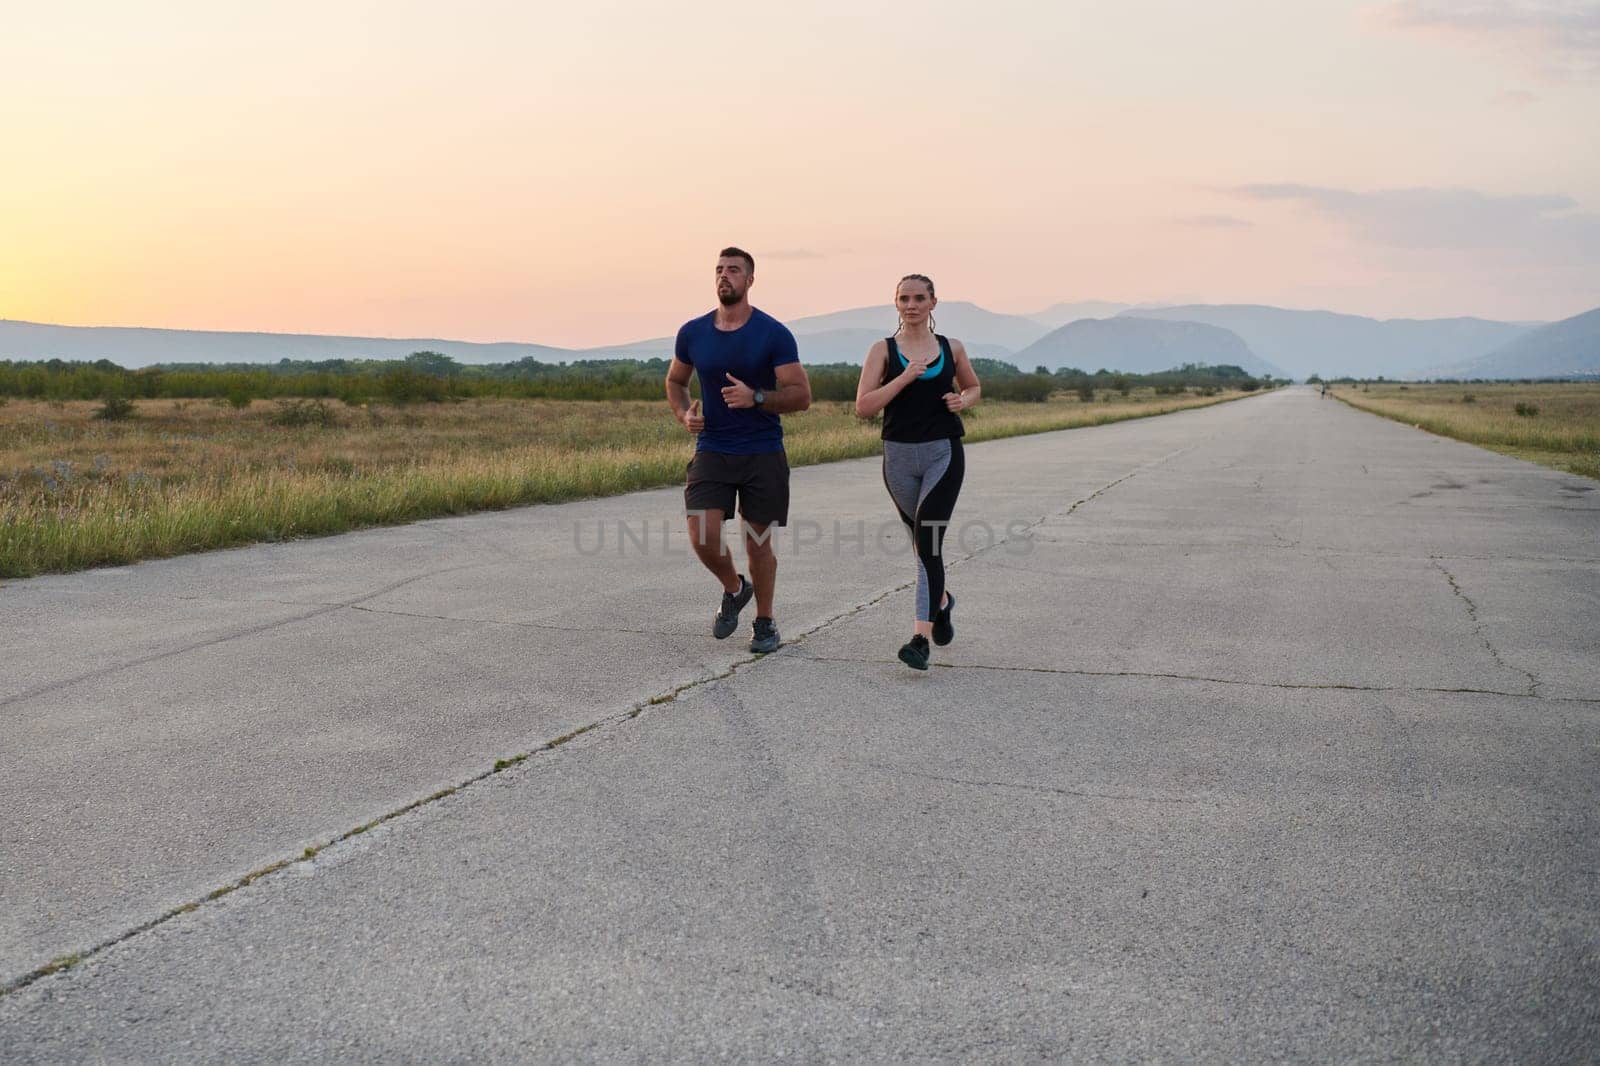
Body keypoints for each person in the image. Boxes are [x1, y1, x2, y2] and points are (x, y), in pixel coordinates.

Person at [666, 247, 812, 653]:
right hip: (712, 447)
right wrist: (684, 415)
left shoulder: (773, 333)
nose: (724, 276)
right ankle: (735, 587)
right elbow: (676, 382)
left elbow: (801, 395)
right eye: (718, 270)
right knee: (701, 532)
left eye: (733, 270)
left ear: (750, 279)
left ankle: (764, 622)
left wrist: (757, 398)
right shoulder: (693, 332)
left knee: (758, 542)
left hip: (762, 451)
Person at [854, 273, 981, 671]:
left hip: (942, 454)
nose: (911, 305)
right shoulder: (883, 351)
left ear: (933, 303)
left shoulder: (951, 347)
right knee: (921, 544)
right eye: (904, 298)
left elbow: (974, 387)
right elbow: (863, 406)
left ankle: (919, 639)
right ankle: (942, 602)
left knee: (928, 542)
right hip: (898, 459)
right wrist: (905, 377)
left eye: (919, 298)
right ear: (896, 304)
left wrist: (963, 400)